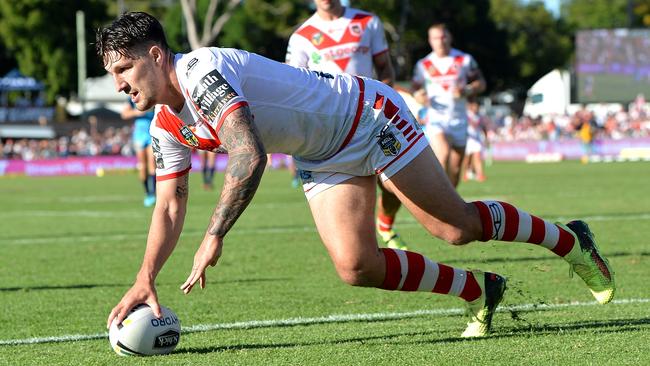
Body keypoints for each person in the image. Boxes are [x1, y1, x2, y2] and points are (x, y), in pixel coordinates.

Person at [98, 12, 615, 339]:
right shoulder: (166, 124)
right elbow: (167, 205)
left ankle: (571, 242)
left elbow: (248, 154)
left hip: (367, 117)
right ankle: (480, 291)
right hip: (322, 154)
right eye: (112, 74)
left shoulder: (200, 71)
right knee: (356, 266)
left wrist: (213, 236)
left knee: (455, 227)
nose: (118, 84)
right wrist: (145, 277)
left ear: (156, 55)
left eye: (124, 69)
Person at [286, 0, 408, 250]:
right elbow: (293, 87)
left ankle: (385, 224)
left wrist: (385, 102)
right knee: (354, 202)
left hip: (372, 119)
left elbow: (384, 68)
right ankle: (369, 252)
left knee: (398, 183)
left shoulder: (367, 22)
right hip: (334, 131)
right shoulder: (301, 36)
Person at [412, 23, 486, 187]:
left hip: (459, 119)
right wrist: (420, 96)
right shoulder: (423, 64)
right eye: (436, 37)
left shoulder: (464, 59)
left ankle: (449, 204)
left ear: (450, 37)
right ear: (430, 40)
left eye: (443, 36)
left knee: (455, 168)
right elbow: (415, 89)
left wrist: (467, 90)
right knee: (442, 154)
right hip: (436, 120)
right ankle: (437, 201)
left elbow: (481, 83)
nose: (440, 41)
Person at [121, 99, 156, 206]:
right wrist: (138, 112)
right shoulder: (133, 99)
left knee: (152, 164)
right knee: (143, 166)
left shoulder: (153, 96)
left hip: (152, 132)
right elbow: (124, 114)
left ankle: (154, 193)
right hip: (139, 135)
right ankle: (148, 193)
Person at [462, 99, 490, 182]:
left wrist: (486, 138)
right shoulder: (466, 115)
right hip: (468, 139)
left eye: (477, 106)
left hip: (476, 139)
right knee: (467, 159)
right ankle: (465, 173)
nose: (476, 108)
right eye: (474, 106)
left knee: (477, 157)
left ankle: (480, 174)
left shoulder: (479, 116)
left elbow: (483, 127)